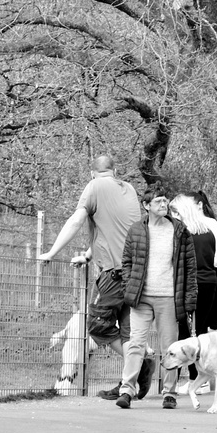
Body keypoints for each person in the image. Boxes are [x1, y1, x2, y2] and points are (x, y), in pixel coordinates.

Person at [38, 154, 145, 397]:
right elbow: (115, 231)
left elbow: (77, 220)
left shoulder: (94, 186)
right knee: (127, 332)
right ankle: (130, 380)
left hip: (113, 274)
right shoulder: (129, 189)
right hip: (135, 273)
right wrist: (87, 256)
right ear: (115, 171)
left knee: (96, 325)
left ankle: (140, 364)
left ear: (91, 173)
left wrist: (52, 252)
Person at [116, 188, 198, 408]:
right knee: (136, 344)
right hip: (141, 298)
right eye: (159, 201)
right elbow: (127, 263)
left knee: (170, 346)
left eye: (165, 200)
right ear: (147, 205)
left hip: (169, 298)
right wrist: (129, 288)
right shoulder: (136, 231)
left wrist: (189, 299)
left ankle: (169, 393)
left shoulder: (180, 230)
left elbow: (190, 267)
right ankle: (127, 391)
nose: (164, 204)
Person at [170, 191, 217, 395]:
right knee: (200, 332)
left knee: (187, 333)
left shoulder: (185, 235)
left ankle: (194, 379)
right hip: (210, 284)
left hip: (193, 286)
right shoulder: (208, 232)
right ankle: (198, 378)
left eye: (175, 213)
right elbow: (214, 261)